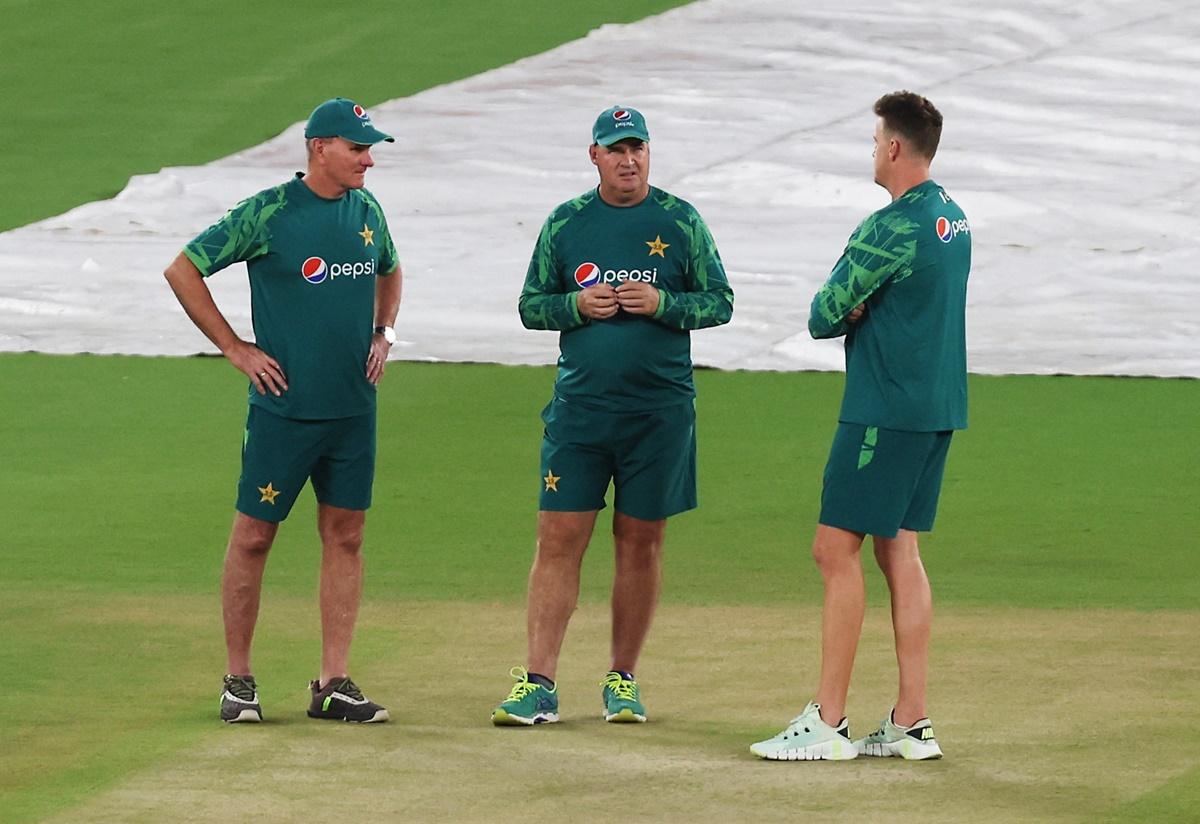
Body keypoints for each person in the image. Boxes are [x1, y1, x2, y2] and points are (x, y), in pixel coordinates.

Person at [491, 105, 734, 726]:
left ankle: (621, 680)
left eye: (638, 148)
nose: (629, 160)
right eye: (616, 149)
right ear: (593, 156)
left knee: (641, 542)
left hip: (659, 414)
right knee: (558, 540)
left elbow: (720, 302)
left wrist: (663, 302)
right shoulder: (567, 224)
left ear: (649, 153)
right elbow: (530, 306)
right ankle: (538, 682)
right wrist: (575, 304)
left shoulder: (680, 221)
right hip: (580, 413)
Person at [164, 98, 402, 724]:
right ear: (320, 147)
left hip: (353, 410)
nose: (368, 160)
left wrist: (384, 332)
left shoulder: (367, 210)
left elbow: (391, 269)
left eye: (370, 148)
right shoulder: (268, 213)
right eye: (358, 148)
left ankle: (333, 683)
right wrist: (235, 348)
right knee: (253, 538)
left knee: (346, 537)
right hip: (283, 410)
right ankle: (239, 681)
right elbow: (184, 268)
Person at [751, 90, 970, 760]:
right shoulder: (952, 219)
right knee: (898, 550)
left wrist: (847, 310)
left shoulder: (890, 227)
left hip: (883, 411)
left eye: (877, 140)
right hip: (937, 407)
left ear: (896, 147)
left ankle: (828, 720)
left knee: (833, 549)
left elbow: (823, 312)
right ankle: (910, 720)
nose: (873, 150)